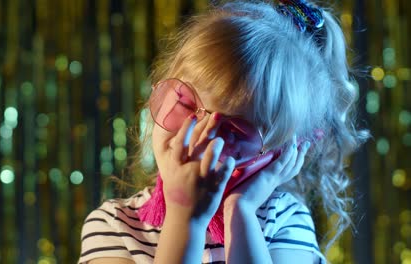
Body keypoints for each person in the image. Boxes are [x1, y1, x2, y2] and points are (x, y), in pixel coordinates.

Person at [79, 0, 368, 263]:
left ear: (279, 155)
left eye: (233, 131)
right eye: (184, 102)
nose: (195, 134)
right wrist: (184, 217)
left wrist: (240, 213)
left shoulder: (284, 221)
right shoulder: (112, 225)